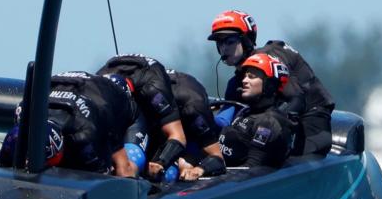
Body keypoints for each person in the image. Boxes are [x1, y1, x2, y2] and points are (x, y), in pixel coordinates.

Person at [207, 9, 334, 155]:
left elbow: (297, 100)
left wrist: (269, 127)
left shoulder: (270, 58)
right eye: (220, 43)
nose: (224, 48)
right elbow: (225, 121)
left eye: (230, 41)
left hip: (311, 122)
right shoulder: (234, 84)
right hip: (277, 125)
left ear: (247, 40)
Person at [0, 70, 147, 177]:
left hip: (108, 108)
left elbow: (101, 185)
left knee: (123, 170)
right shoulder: (15, 136)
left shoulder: (84, 136)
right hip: (67, 91)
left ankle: (148, 173)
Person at [184, 53, 296, 178]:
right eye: (245, 76)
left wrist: (204, 169)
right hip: (213, 169)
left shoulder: (267, 122)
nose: (244, 81)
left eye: (251, 77)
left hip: (230, 184)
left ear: (270, 84)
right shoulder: (246, 111)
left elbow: (251, 169)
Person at [97, 54, 186, 180]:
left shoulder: (153, 89)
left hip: (148, 88)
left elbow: (178, 136)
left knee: (166, 174)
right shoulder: (95, 91)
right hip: (105, 104)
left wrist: (160, 163)